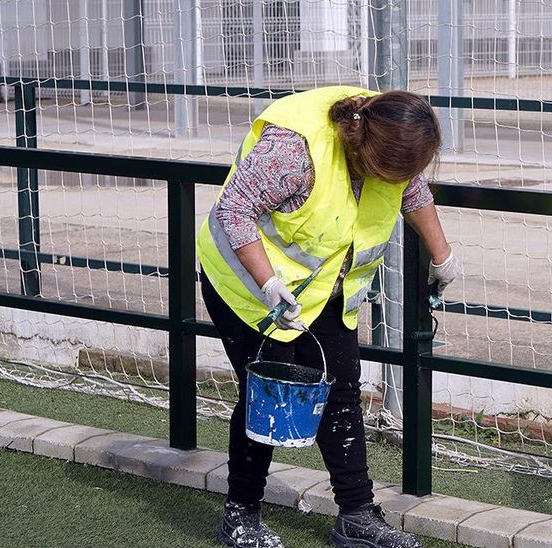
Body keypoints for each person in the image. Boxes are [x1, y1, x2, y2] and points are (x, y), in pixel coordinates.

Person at [197, 86, 461, 548]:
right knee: (271, 398)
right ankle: (241, 515)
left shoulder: (392, 135)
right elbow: (233, 210)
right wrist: (268, 285)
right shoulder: (294, 148)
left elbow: (411, 188)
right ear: (363, 147)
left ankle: (357, 515)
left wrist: (443, 257)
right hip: (247, 283)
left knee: (341, 393)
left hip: (324, 291)